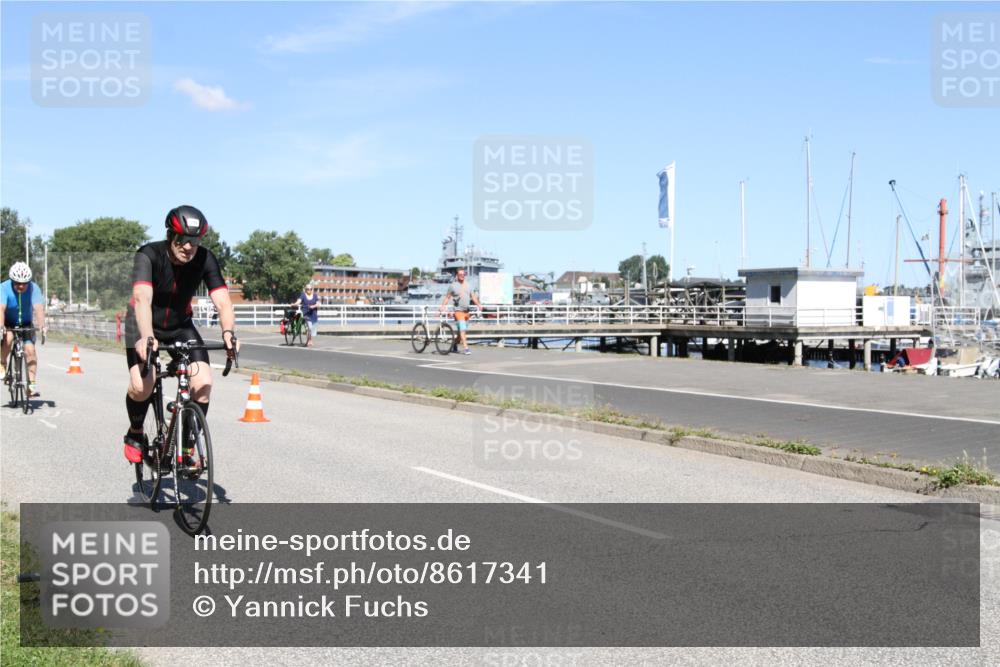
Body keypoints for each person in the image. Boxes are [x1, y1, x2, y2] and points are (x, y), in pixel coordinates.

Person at [122, 205, 240, 468]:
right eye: (183, 239)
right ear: (169, 235)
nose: (189, 247)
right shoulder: (148, 254)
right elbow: (142, 299)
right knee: (143, 386)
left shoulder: (205, 259)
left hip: (179, 326)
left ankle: (186, 448)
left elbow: (223, 301)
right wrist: (146, 337)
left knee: (203, 384)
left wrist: (229, 333)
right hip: (142, 324)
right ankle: (136, 432)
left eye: (195, 241)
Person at [1, 262, 46, 396]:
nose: (21, 286)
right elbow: (1, 308)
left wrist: (42, 325)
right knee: (8, 339)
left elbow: (38, 308)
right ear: (12, 280)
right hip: (8, 322)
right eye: (17, 283)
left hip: (26, 323)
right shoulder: (3, 288)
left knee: (30, 350)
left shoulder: (34, 288)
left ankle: (31, 385)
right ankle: (2, 362)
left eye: (24, 283)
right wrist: (1, 326)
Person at [438, 268, 481, 355]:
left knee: (461, 333)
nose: (462, 275)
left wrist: (479, 305)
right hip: (458, 311)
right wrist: (443, 306)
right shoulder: (453, 286)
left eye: (463, 274)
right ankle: (466, 348)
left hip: (466, 312)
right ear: (457, 275)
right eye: (460, 274)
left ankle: (454, 344)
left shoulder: (468, 285)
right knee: (462, 330)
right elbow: (447, 297)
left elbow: (473, 296)